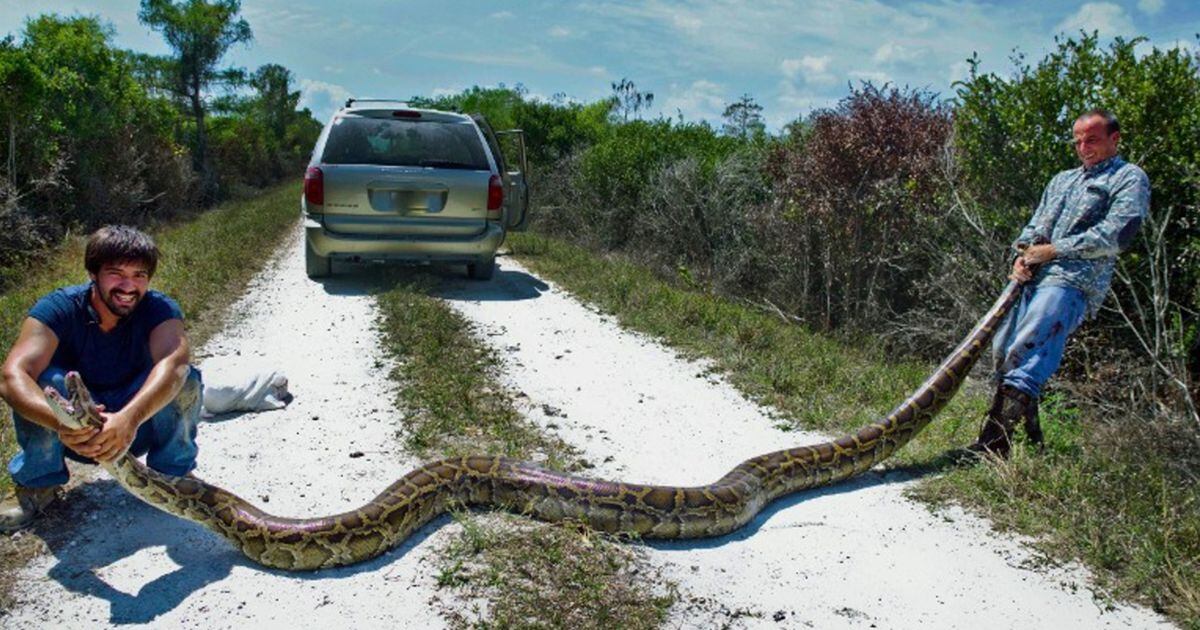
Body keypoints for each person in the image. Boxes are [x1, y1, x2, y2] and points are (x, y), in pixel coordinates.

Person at [969, 109, 1151, 457]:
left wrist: (1054, 251)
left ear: (1115, 139)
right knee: (1003, 352)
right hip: (1032, 278)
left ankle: (991, 447)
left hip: (1072, 281)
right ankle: (1032, 442)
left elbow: (1118, 234)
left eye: (1092, 140)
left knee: (1028, 352)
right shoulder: (1062, 180)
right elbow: (1035, 225)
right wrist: (1022, 255)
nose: (1084, 147)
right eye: (1078, 141)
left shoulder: (1129, 178)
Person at [0, 226, 202, 530]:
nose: (128, 286)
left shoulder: (159, 309)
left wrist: (129, 419)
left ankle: (173, 478)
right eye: (116, 273)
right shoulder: (59, 308)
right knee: (46, 381)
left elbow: (174, 364)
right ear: (93, 273)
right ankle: (37, 484)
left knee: (185, 379)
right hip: (71, 432)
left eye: (139, 275)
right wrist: (63, 423)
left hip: (135, 427)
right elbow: (11, 376)